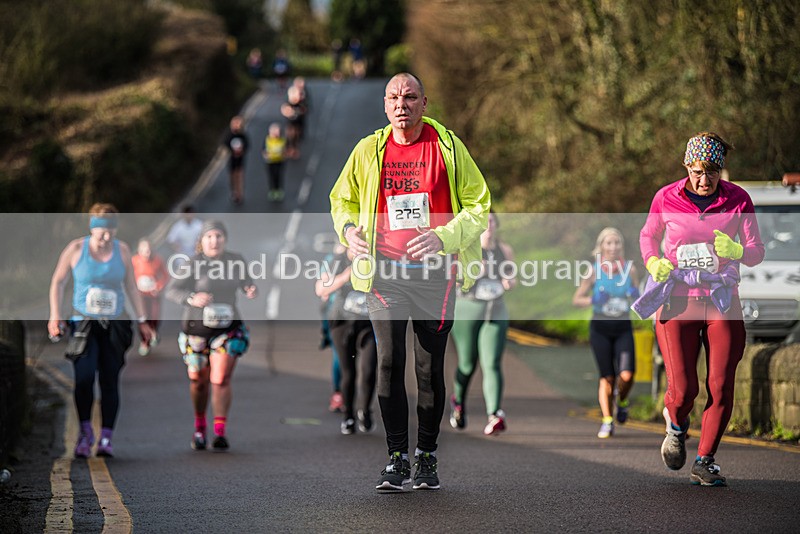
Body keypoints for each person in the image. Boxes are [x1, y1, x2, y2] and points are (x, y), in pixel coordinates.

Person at [330, 73, 491, 492]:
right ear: (385, 105)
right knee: (388, 361)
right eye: (394, 97)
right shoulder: (368, 150)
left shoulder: (449, 148)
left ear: (424, 103)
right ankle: (397, 457)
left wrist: (443, 236)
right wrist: (349, 233)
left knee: (427, 367)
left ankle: (427, 456)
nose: (402, 104)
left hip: (435, 276)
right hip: (385, 274)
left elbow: (480, 205)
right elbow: (341, 199)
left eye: (411, 97)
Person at [637, 132, 764, 486]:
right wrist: (653, 262)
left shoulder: (739, 199)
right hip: (678, 298)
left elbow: (756, 250)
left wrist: (737, 252)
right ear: (686, 167)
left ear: (721, 169)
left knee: (721, 385)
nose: (704, 180)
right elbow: (648, 236)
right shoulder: (666, 196)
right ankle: (676, 426)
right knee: (684, 389)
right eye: (697, 171)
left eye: (711, 172)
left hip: (721, 299)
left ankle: (705, 460)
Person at [48, 203, 154, 458]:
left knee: (109, 379)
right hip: (83, 322)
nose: (106, 236)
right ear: (91, 229)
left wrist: (142, 320)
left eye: (111, 231)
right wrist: (55, 315)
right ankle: (86, 432)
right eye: (101, 231)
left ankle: (106, 437)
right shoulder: (75, 249)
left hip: (115, 323)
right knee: (83, 377)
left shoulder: (123, 250)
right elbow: (58, 282)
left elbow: (131, 287)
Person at [165, 220, 256, 451]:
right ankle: (199, 425)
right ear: (202, 241)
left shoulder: (235, 260)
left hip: (227, 329)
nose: (214, 241)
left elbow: (247, 281)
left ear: (225, 239)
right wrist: (191, 298)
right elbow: (172, 290)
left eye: (218, 236)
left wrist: (249, 288)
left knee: (220, 379)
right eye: (209, 237)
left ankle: (219, 431)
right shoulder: (192, 264)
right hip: (196, 330)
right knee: (198, 382)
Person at [449, 211, 516, 437]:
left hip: (495, 307)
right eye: (483, 222)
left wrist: (509, 281)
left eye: (491, 221)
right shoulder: (465, 249)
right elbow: (454, 277)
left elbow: (512, 276)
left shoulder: (504, 250)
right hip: (468, 307)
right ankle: (458, 402)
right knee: (467, 364)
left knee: (492, 362)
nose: (488, 225)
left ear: (496, 224)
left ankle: (495, 414)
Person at [572, 227, 640, 439]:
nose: (613, 247)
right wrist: (593, 300)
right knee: (607, 377)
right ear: (601, 246)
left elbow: (640, 299)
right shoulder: (592, 271)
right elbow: (576, 299)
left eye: (617, 243)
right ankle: (607, 421)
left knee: (627, 376)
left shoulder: (630, 270)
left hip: (623, 327)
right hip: (600, 328)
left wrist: (635, 294)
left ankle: (622, 401)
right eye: (608, 243)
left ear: (621, 246)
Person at [315, 247, 377, 435]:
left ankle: (365, 411)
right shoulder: (336, 260)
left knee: (369, 369)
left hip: (369, 324)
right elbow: (320, 288)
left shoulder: (376, 259)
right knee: (347, 371)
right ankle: (348, 416)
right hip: (341, 322)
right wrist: (346, 276)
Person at [131, 238, 169, 355]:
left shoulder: (157, 260)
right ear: (139, 250)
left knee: (154, 316)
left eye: (149, 250)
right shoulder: (134, 261)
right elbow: (128, 277)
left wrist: (158, 286)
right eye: (144, 250)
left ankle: (153, 332)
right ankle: (145, 342)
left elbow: (165, 276)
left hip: (153, 295)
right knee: (142, 318)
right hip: (140, 296)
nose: (147, 253)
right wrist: (133, 288)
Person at [224, 115, 249, 204]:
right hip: (232, 159)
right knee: (232, 176)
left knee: (239, 176)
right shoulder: (229, 135)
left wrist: (241, 151)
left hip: (240, 159)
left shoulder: (242, 135)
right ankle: (234, 192)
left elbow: (247, 145)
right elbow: (225, 144)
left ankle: (240, 193)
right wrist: (233, 151)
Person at [262, 122, 286, 201]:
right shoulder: (267, 140)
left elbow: (286, 149)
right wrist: (266, 156)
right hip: (270, 161)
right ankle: (272, 190)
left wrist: (284, 155)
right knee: (271, 176)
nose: (276, 134)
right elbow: (264, 150)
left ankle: (278, 190)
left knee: (278, 175)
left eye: (277, 132)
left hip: (279, 161)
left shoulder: (282, 140)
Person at [280, 87, 307, 159]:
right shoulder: (288, 104)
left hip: (298, 124)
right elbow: (284, 110)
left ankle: (294, 150)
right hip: (290, 125)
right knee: (289, 137)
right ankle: (289, 150)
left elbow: (304, 110)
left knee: (296, 138)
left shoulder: (300, 104)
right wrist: (290, 112)